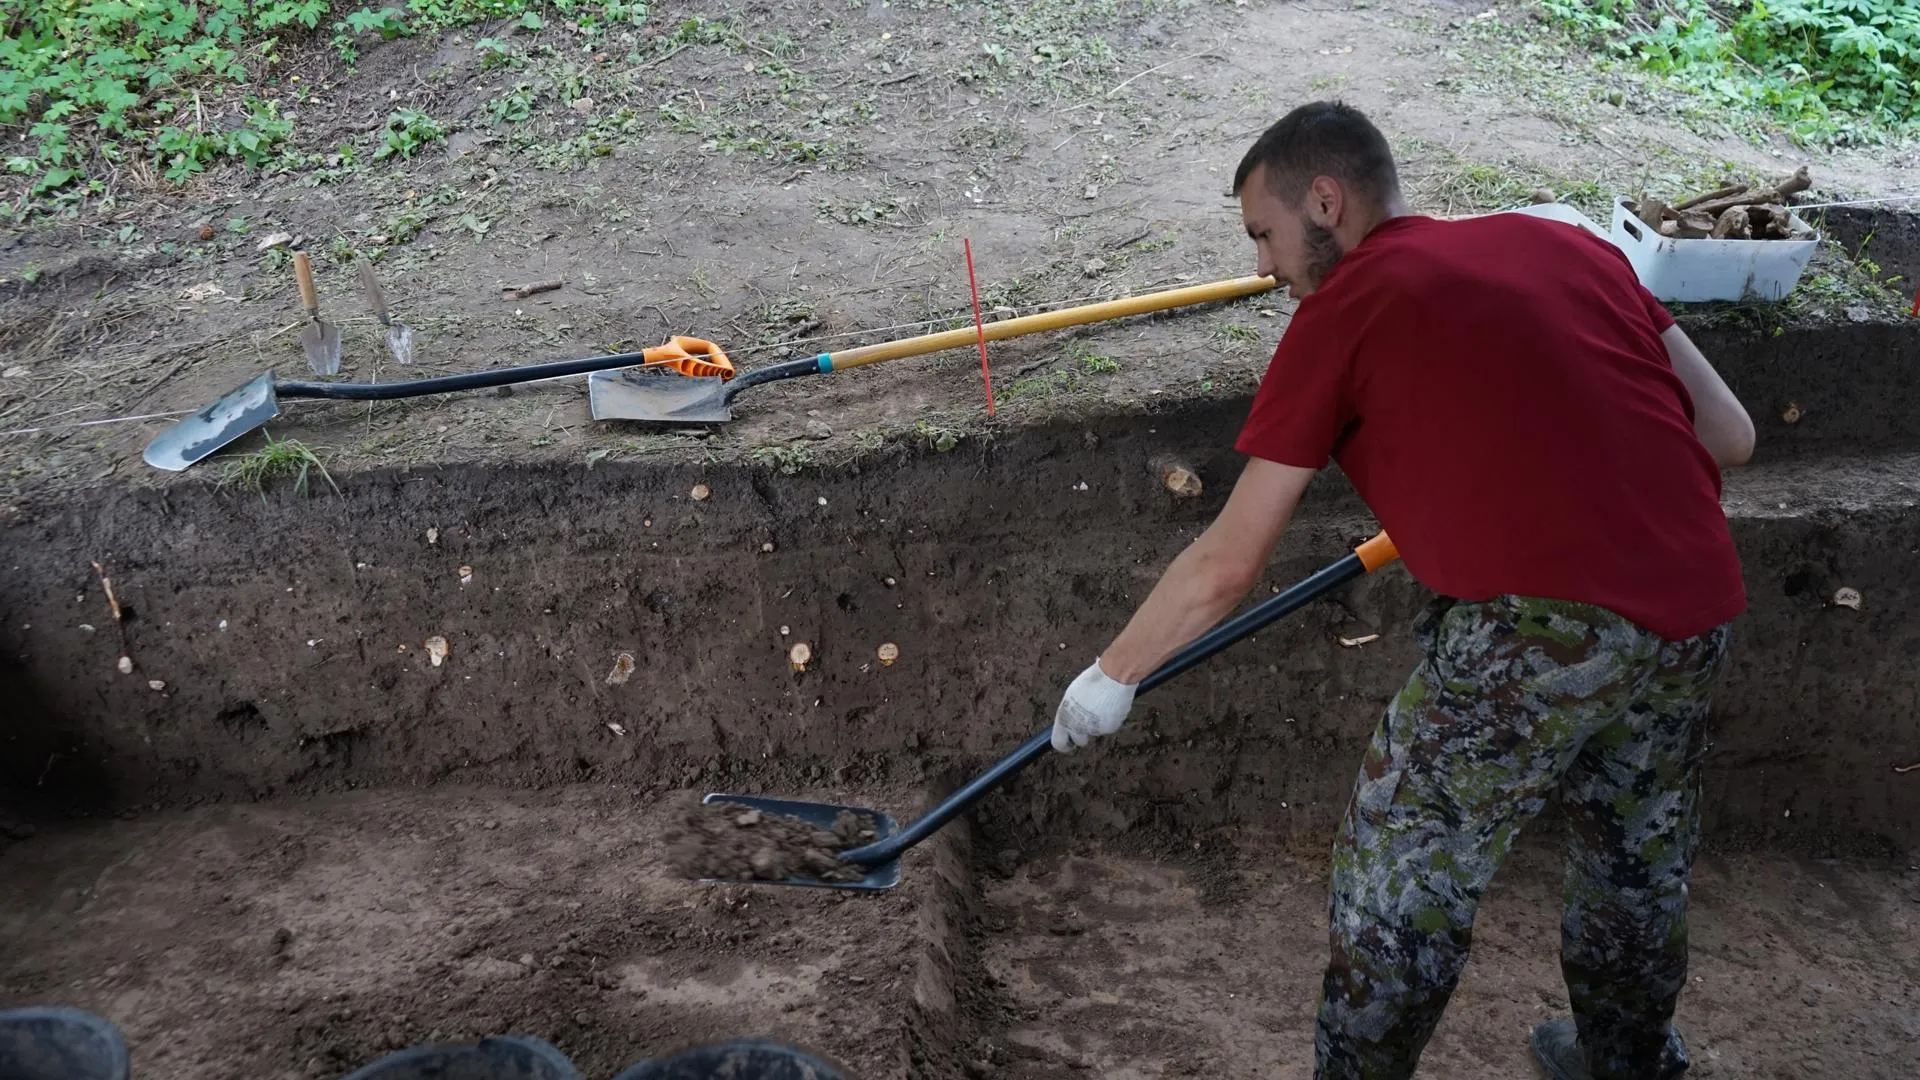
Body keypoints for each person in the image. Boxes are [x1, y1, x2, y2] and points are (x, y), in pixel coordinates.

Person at [1049, 101, 1753, 1080]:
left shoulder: (1346, 309)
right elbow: (1729, 437)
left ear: (1325, 202)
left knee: (1400, 878)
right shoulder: (1569, 247)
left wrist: (1111, 674)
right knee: (1634, 862)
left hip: (1534, 636)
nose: (1262, 267)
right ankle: (1631, 1063)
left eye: (1264, 233)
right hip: (1696, 608)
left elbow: (1227, 562)